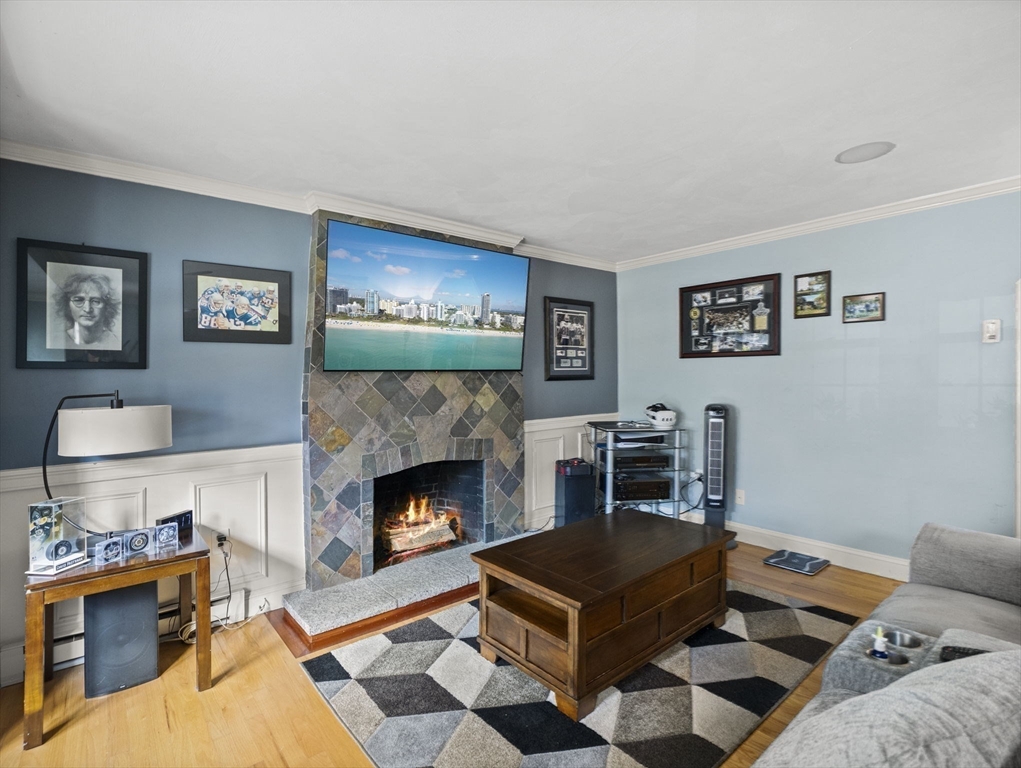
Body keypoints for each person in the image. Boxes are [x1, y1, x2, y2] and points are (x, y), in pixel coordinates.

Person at [52, 272, 121, 349]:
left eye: (95, 301)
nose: (87, 309)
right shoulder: (57, 340)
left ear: (107, 307)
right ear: (68, 306)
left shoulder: (115, 342)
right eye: (79, 300)